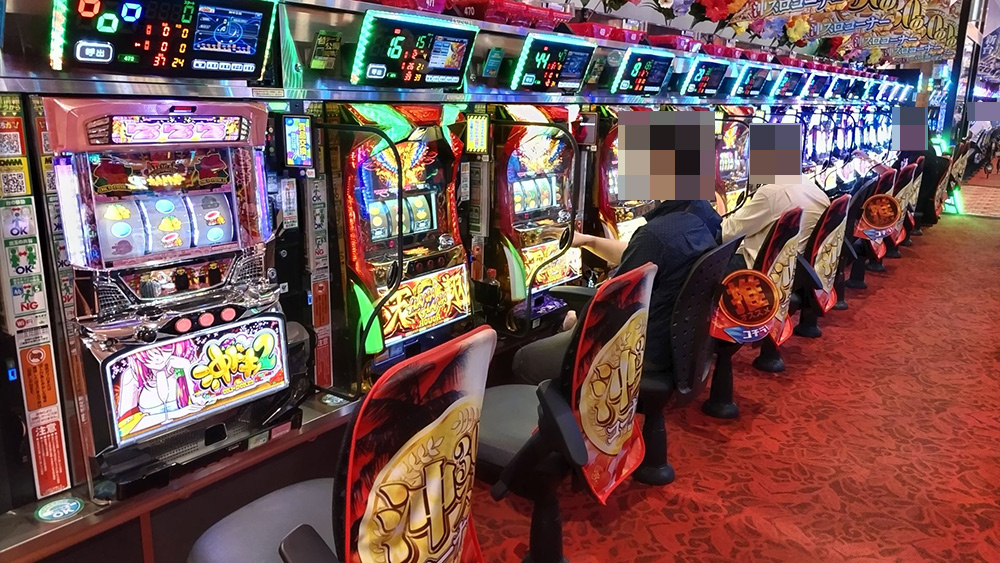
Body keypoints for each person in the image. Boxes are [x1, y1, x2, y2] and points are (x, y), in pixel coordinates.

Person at [512, 200, 721, 385]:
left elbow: (613, 305)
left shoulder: (654, 235)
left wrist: (577, 318)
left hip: (638, 348)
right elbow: (643, 253)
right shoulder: (699, 216)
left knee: (524, 359)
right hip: (679, 343)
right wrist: (590, 241)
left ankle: (566, 414)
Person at [717, 181, 830, 268]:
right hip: (797, 270)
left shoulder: (770, 193)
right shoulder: (814, 188)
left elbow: (726, 233)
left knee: (712, 263)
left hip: (761, 273)